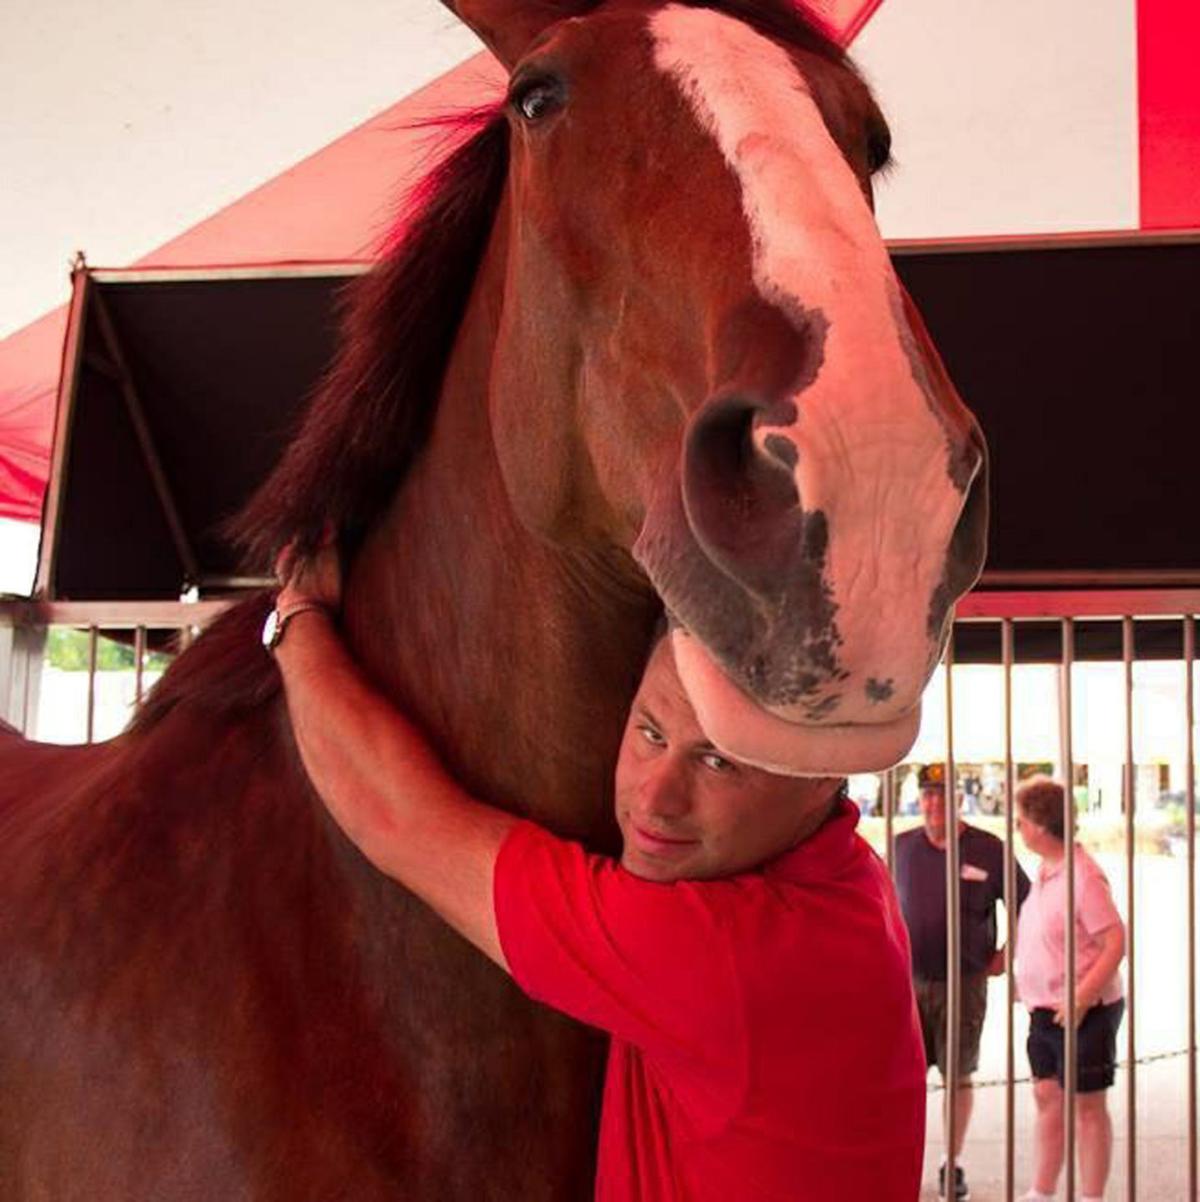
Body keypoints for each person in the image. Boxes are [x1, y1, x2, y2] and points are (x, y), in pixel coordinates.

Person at [270, 544, 926, 1201]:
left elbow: (396, 818)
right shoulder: (849, 879)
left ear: (821, 782)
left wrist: (295, 617)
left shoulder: (725, 955)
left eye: (718, 763)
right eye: (650, 733)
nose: (654, 798)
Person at [893, 763, 1031, 1201]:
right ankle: (901, 1161)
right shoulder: (901, 847)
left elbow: (1028, 903)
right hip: (908, 985)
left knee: (958, 1076)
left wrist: (1008, 953)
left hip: (964, 985)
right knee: (905, 1079)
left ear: (958, 799)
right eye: (927, 794)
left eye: (942, 794)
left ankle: (950, 1163)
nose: (934, 802)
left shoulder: (988, 849)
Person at [1014, 776, 1126, 1202]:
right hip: (1045, 1009)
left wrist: (1082, 996)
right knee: (1048, 1096)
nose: (1018, 828)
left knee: (1087, 1105)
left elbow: (1115, 941)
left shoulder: (1083, 877)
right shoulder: (1047, 871)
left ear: (1042, 825)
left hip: (1085, 1009)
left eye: (1022, 821)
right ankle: (1042, 1191)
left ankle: (1091, 1196)